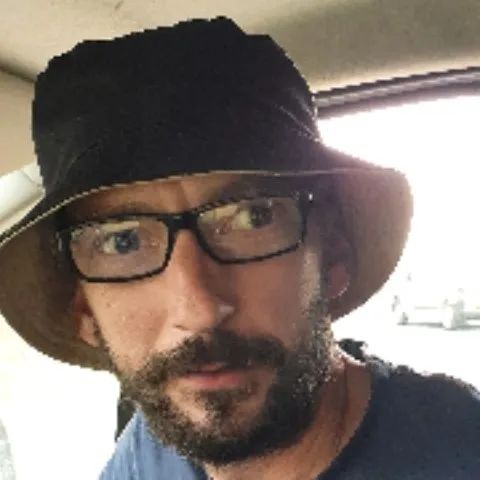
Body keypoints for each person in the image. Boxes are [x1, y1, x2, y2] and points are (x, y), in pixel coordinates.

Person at [0, 16, 478, 480]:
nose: (199, 310)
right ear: (84, 309)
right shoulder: (149, 445)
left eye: (253, 217)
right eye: (122, 241)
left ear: (333, 255)